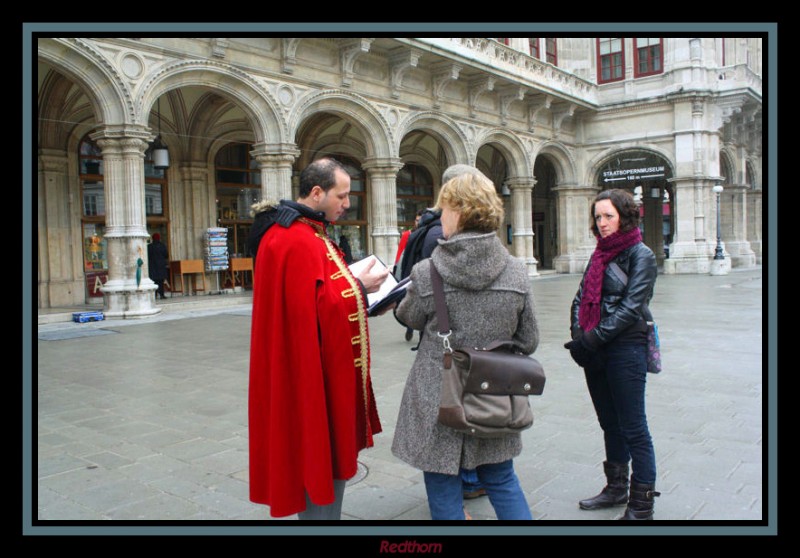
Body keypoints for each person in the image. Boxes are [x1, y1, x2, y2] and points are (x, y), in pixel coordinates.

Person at [246, 157, 389, 520]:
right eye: (341, 196)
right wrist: (360, 286)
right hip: (307, 376)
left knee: (330, 454)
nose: (347, 204)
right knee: (315, 454)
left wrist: (361, 292)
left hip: (324, 370)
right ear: (316, 192)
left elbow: (320, 295)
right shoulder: (292, 238)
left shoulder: (310, 232)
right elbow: (310, 310)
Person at [391, 172, 539, 520]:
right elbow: (529, 339)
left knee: (442, 480)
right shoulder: (517, 272)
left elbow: (408, 317)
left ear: (458, 211)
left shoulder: (427, 272)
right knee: (501, 479)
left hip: (437, 392)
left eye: (444, 208)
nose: (440, 215)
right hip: (493, 391)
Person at [563, 188, 660, 520]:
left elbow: (631, 308)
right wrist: (579, 334)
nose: (601, 223)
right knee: (609, 423)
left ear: (624, 216)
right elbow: (579, 299)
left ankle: (642, 504)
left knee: (634, 427)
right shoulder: (599, 254)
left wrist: (591, 339)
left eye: (608, 216)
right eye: (598, 217)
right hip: (596, 350)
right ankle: (616, 489)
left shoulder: (641, 255)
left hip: (626, 349)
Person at [394, 209, 423, 341]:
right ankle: (409, 327)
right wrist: (396, 269)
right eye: (417, 220)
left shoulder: (427, 234)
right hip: (409, 271)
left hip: (422, 271)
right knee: (410, 298)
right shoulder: (407, 234)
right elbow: (400, 253)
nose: (419, 222)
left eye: (420, 220)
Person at [147, 233, 169, 300]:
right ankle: (162, 295)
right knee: (160, 282)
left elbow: (147, 256)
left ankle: (154, 295)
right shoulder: (162, 246)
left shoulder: (149, 246)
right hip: (161, 267)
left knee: (153, 281)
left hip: (152, 267)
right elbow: (166, 255)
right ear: (159, 238)